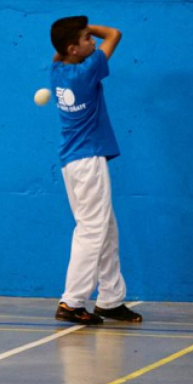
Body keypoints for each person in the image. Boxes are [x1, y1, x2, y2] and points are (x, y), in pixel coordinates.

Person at [48, 16, 142, 325]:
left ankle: (111, 299)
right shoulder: (86, 72)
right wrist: (91, 25)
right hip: (88, 161)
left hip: (72, 162)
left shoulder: (57, 69)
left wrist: (77, 33)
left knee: (106, 230)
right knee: (91, 230)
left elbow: (60, 48)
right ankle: (72, 302)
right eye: (88, 40)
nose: (94, 42)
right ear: (74, 49)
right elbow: (115, 33)